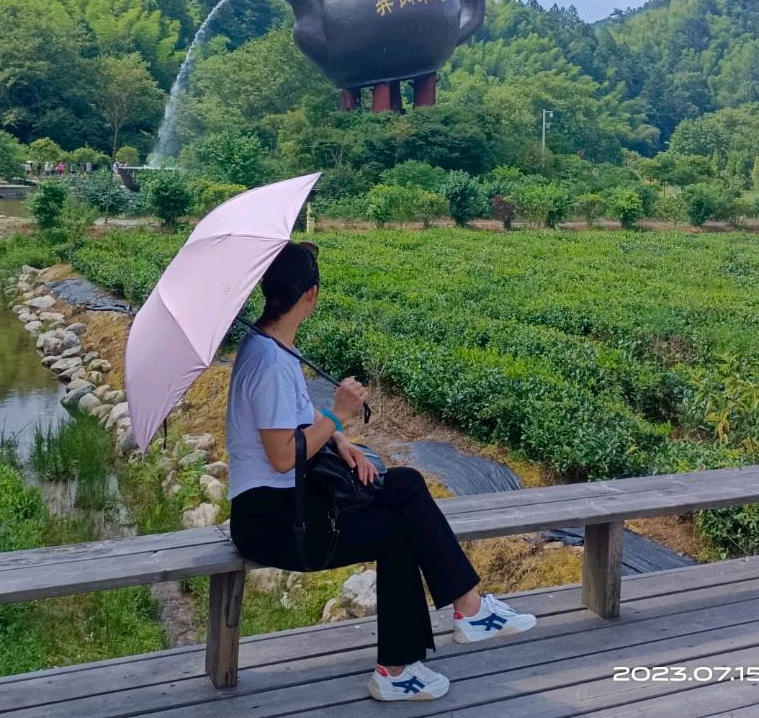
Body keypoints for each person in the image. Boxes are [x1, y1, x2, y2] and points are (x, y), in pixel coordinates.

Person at [227, 241, 536, 702]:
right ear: (311, 294)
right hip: (274, 522)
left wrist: (341, 441)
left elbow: (297, 418)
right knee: (397, 528)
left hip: (291, 504)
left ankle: (453, 622)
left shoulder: (273, 347)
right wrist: (339, 413)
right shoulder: (269, 362)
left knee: (406, 485)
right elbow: (283, 457)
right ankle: (438, 634)